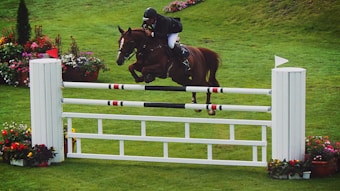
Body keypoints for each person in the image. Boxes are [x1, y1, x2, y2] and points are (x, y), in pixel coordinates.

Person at [141, 7, 190, 73]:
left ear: (154, 18)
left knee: (170, 44)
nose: (147, 21)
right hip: (162, 30)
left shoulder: (163, 21)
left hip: (173, 30)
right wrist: (145, 29)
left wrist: (151, 34)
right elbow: (143, 25)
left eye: (148, 20)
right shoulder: (149, 20)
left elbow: (163, 35)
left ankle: (183, 58)